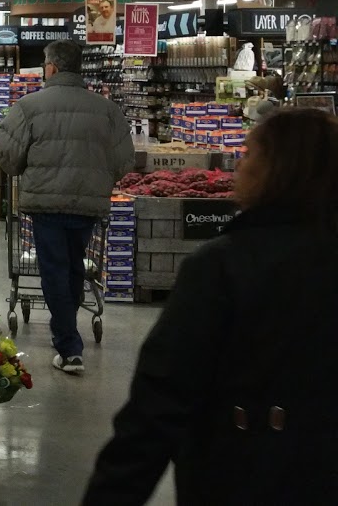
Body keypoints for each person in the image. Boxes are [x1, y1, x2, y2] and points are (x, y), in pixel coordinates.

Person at [83, 108, 338, 505]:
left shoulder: (223, 266)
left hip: (242, 471)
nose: (239, 166)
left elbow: (160, 400)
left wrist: (112, 493)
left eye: (250, 155)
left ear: (277, 170)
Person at [0, 39, 134, 375]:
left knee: (55, 269)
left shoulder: (29, 107)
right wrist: (96, 178)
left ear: (52, 67)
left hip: (46, 204)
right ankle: (68, 335)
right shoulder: (107, 110)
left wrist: (27, 168)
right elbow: (125, 160)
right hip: (87, 205)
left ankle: (70, 346)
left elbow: (6, 155)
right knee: (73, 267)